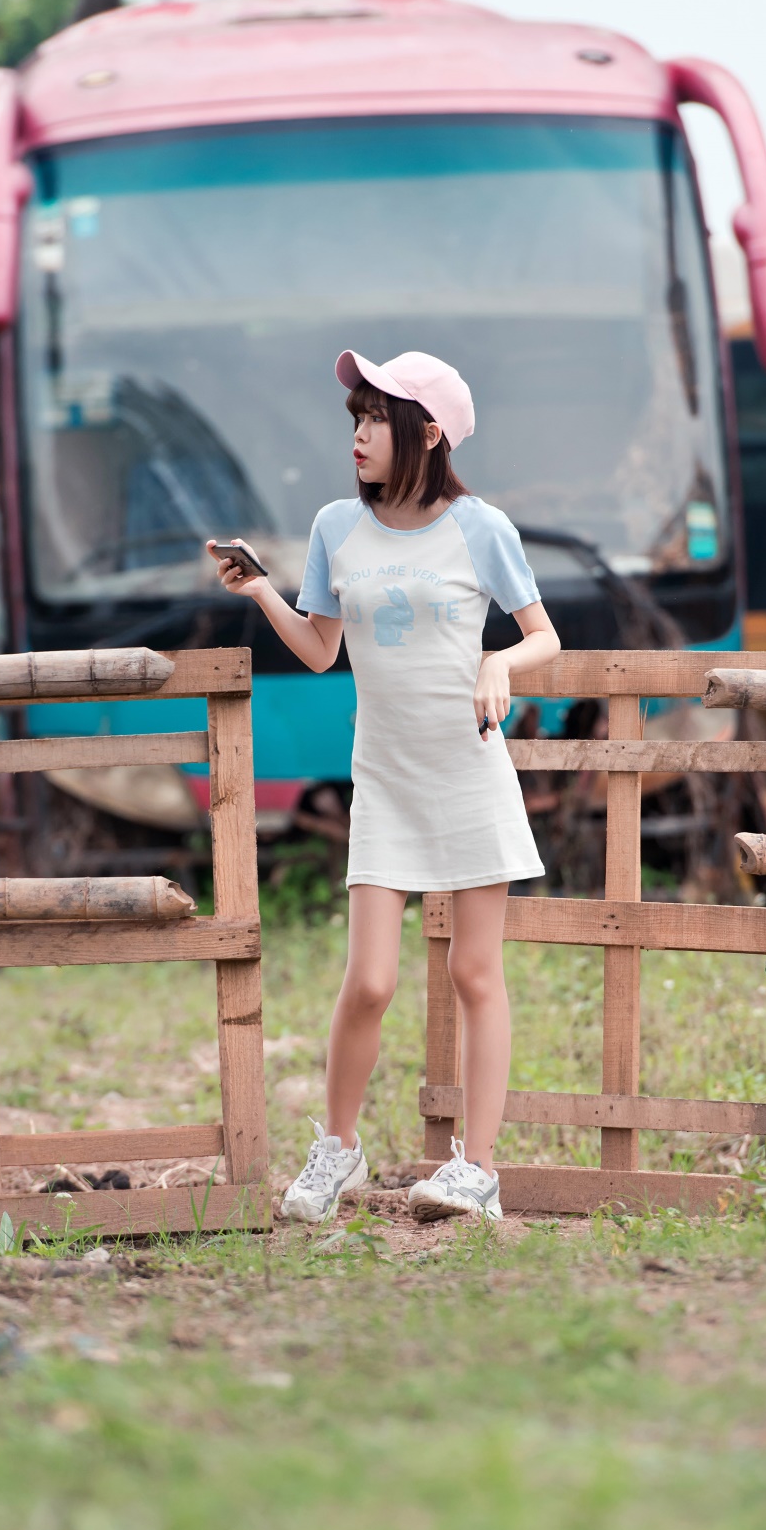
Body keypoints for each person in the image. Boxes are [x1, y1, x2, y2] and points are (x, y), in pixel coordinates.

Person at [207, 349, 560, 1225]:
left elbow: (542, 636)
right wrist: (259, 593)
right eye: (355, 419)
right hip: (386, 781)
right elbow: (324, 649)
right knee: (368, 981)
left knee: (478, 973)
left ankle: (477, 1169)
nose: (358, 435)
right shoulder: (335, 527)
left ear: (428, 433)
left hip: (469, 774)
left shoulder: (483, 528)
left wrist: (497, 663)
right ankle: (338, 1150)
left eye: (376, 419)